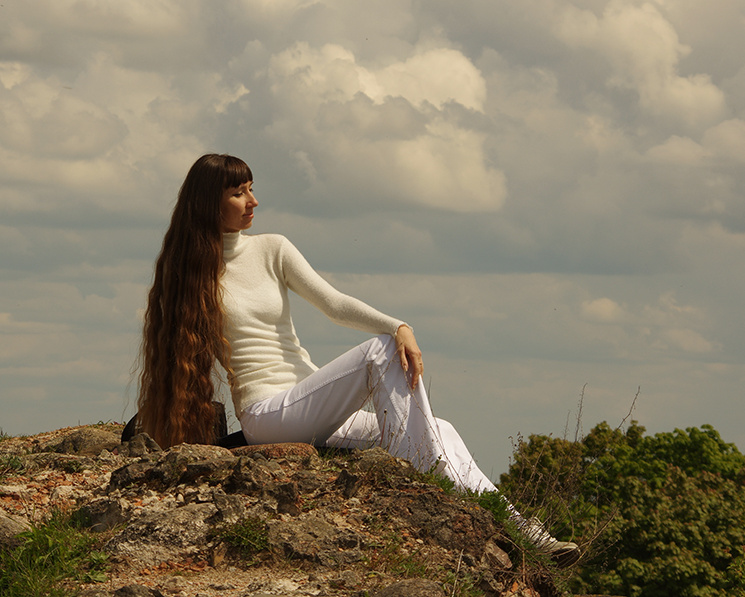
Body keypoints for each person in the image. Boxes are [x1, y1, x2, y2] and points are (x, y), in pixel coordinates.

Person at [135, 153, 579, 564]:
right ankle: (425, 474)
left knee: (439, 426)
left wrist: (397, 324)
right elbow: (179, 365)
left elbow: (334, 303)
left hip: (311, 404)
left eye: (251, 188)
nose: (254, 200)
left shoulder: (272, 248)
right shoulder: (191, 273)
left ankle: (529, 534)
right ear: (208, 204)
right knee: (380, 353)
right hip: (267, 413)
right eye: (238, 193)